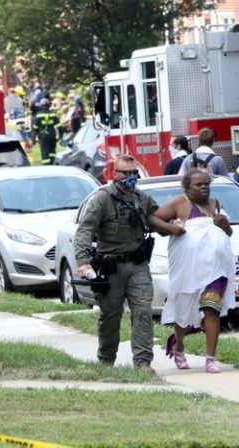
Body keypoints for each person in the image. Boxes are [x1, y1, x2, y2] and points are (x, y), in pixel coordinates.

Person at [73, 154, 177, 372]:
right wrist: (83, 261)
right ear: (114, 174)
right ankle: (106, 360)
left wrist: (176, 225)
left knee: (143, 311)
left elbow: (158, 219)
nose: (130, 178)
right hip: (111, 268)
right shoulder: (102, 198)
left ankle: (143, 362)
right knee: (110, 315)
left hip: (137, 265)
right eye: (126, 173)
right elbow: (85, 229)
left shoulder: (141, 198)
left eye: (134, 173)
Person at [151, 168, 236, 373]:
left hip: (216, 270)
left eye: (207, 183)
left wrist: (225, 225)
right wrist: (173, 228)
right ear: (188, 187)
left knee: (211, 309)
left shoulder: (217, 205)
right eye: (199, 184)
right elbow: (153, 219)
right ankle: (179, 346)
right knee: (182, 312)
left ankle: (210, 359)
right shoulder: (180, 203)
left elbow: (228, 233)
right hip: (188, 270)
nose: (204, 187)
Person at [33, 101, 60, 165]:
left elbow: (35, 127)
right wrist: (60, 136)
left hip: (43, 136)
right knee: (52, 151)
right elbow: (59, 126)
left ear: (41, 106)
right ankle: (52, 163)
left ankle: (46, 166)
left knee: (45, 151)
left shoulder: (38, 115)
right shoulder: (53, 114)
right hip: (52, 135)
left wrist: (36, 135)